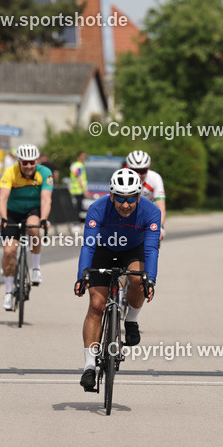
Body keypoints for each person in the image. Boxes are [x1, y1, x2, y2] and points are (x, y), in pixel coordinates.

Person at [74, 168, 159, 392]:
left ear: (139, 196)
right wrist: (82, 275)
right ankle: (89, 366)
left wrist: (151, 280)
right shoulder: (97, 208)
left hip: (133, 250)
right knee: (96, 305)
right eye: (120, 198)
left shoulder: (151, 211)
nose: (126, 204)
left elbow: (151, 249)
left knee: (139, 280)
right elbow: (88, 245)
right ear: (111, 195)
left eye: (131, 198)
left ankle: (131, 319)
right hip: (104, 248)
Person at [0, 144, 52, 308]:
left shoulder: (45, 173)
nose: (29, 166)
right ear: (19, 161)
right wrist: (3, 218)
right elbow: (2, 198)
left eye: (32, 162)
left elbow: (46, 199)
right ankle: (8, 292)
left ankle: (36, 268)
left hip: (33, 210)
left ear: (37, 161)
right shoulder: (10, 172)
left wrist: (44, 219)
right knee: (9, 252)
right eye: (25, 163)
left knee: (33, 227)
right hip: (12, 211)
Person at [125, 150, 166, 236]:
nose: (139, 175)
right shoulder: (121, 177)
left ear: (148, 169)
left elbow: (161, 206)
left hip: (148, 214)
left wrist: (160, 227)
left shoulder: (155, 178)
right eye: (134, 170)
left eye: (143, 171)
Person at [69, 151, 88, 217]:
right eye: (83, 156)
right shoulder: (78, 165)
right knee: (78, 209)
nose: (84, 158)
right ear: (79, 156)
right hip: (78, 190)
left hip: (75, 190)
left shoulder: (75, 165)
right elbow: (79, 177)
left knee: (76, 209)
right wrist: (84, 190)